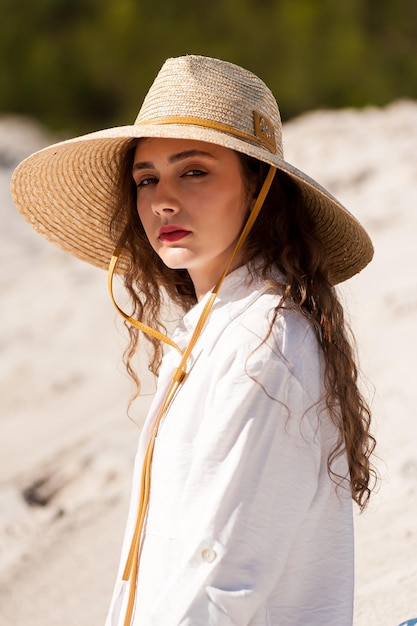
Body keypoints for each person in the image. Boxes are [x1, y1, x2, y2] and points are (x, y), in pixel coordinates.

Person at [11, 55, 376, 626]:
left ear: (258, 189)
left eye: (195, 171)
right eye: (146, 178)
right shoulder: (211, 330)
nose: (162, 200)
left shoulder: (264, 341)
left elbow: (221, 573)